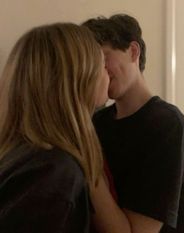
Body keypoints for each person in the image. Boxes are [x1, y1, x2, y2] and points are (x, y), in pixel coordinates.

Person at [83, 14, 184, 233]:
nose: (98, 70)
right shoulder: (98, 121)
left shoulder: (168, 126)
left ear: (133, 52)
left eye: (103, 58)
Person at [0, 22, 110, 233]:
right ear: (78, 79)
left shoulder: (26, 157)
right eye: (102, 65)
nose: (107, 73)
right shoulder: (53, 175)